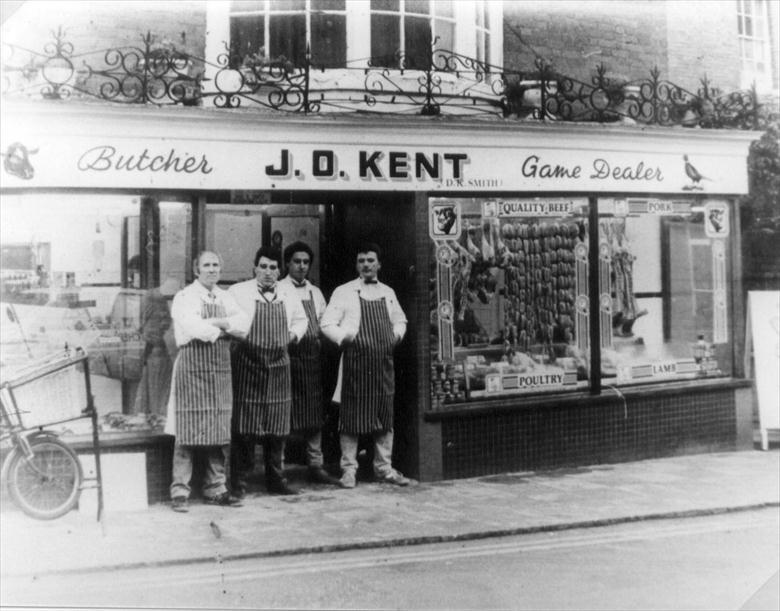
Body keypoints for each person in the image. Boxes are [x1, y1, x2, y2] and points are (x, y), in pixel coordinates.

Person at [321, 242, 411, 489]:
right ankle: (348, 470)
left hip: (383, 365)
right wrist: (343, 337)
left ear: (378, 264)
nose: (366, 265)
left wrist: (396, 336)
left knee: (384, 417)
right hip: (355, 365)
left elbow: (400, 320)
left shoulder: (388, 292)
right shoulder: (344, 291)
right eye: (361, 261)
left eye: (370, 260)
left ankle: (384, 468)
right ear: (356, 265)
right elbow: (327, 323)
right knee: (351, 419)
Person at [166, 251, 249, 513]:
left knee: (218, 429)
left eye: (216, 265)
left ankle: (216, 487)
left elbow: (244, 325)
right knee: (186, 428)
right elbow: (193, 327)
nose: (211, 270)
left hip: (220, 370)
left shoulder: (226, 297)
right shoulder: (184, 297)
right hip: (192, 368)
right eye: (206, 265)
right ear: (196, 270)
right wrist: (223, 326)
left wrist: (218, 322)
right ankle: (180, 491)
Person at [228, 245, 308, 496]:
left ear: (279, 270)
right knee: (245, 427)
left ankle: (276, 479)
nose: (268, 272)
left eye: (273, 267)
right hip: (248, 364)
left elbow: (301, 320)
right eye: (263, 266)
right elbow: (229, 321)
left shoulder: (288, 293)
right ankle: (239, 481)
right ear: (254, 268)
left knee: (277, 428)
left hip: (278, 365)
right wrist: (245, 337)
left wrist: (291, 336)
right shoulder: (237, 292)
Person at [278, 241, 342, 486]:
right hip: (288, 358)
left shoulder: (315, 292)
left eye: (305, 262)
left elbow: (325, 322)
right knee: (285, 414)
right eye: (297, 261)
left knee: (315, 415)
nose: (301, 266)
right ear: (287, 263)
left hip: (313, 360)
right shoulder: (280, 289)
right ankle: (279, 468)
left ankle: (316, 465)